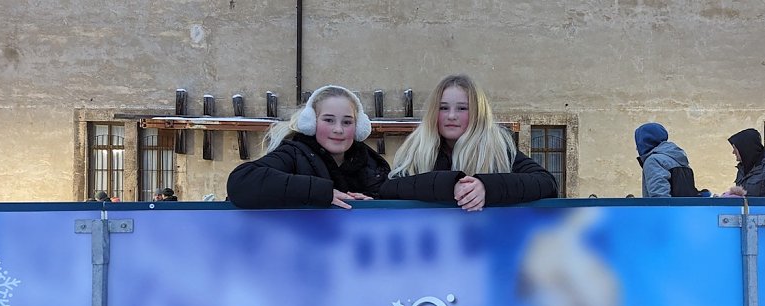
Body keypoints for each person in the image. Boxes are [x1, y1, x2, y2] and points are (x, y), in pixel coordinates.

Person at [379, 74, 558, 210]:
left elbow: (546, 183)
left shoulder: (498, 149)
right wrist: (452, 185)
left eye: (462, 108)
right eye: (443, 108)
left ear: (477, 113)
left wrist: (486, 187)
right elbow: (388, 189)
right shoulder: (415, 150)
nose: (451, 116)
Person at [227, 85, 390, 209]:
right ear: (311, 123)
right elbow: (241, 181)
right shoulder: (293, 154)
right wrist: (322, 193)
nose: (338, 129)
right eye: (328, 120)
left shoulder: (374, 166)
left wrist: (372, 205)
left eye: (347, 122)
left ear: (359, 127)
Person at [634, 122, 697, 197]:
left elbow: (660, 197)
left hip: (666, 208)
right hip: (685, 208)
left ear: (643, 142)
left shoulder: (653, 161)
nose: (637, 149)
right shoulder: (679, 159)